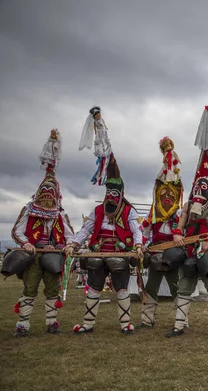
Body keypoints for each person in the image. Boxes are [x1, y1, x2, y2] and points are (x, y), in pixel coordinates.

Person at [167, 104, 208, 337]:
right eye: (198, 185)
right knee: (185, 285)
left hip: (207, 249)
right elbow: (180, 224)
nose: (200, 188)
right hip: (188, 250)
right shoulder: (186, 205)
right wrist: (177, 234)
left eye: (204, 185)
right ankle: (178, 325)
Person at [65, 155, 143, 334]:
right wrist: (74, 244)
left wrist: (138, 246)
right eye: (108, 193)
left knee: (122, 289)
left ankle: (125, 324)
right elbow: (86, 230)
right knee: (93, 287)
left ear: (121, 193)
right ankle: (88, 324)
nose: (111, 197)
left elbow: (136, 229)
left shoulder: (129, 211)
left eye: (115, 194)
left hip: (119, 254)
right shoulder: (98, 210)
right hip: (98, 254)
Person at [9, 130, 74, 336]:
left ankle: (52, 322)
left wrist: (69, 245)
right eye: (44, 195)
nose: (47, 198)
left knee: (52, 289)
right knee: (30, 288)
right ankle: (23, 324)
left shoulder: (60, 214)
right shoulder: (29, 210)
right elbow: (17, 231)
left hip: (54, 254)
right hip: (34, 253)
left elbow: (70, 235)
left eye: (50, 195)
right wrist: (27, 244)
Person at [138, 136, 185, 329]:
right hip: (156, 254)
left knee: (176, 287)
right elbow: (143, 231)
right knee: (151, 287)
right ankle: (147, 320)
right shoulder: (153, 214)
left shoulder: (181, 215)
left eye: (170, 194)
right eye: (163, 194)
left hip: (172, 255)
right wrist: (140, 245)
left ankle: (182, 321)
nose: (167, 197)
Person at [79, 106, 113, 185]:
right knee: (103, 156)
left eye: (99, 115)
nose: (99, 116)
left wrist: (106, 128)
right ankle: (100, 176)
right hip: (100, 135)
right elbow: (94, 128)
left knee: (108, 149)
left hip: (104, 135)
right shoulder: (95, 122)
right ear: (94, 117)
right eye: (97, 116)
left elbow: (104, 125)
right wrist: (96, 132)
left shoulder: (101, 120)